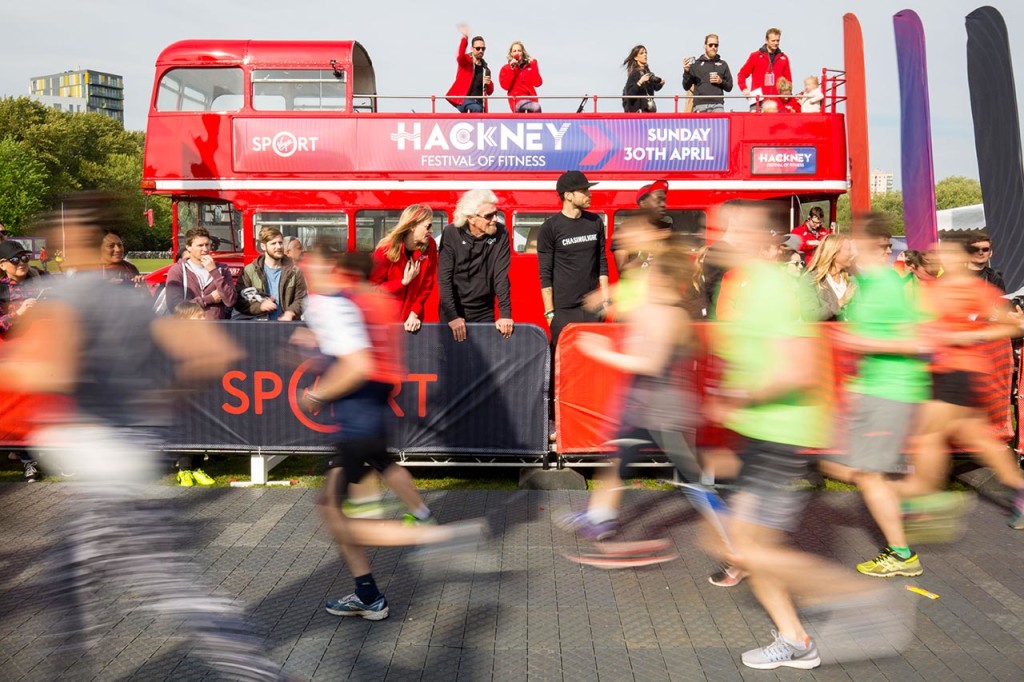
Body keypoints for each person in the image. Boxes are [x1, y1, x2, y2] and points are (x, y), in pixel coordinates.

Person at [2, 192, 287, 680]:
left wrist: (19, 367)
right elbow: (211, 355)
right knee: (71, 580)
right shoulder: (128, 298)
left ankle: (258, 671)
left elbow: (50, 372)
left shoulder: (71, 298)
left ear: (71, 241)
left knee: (166, 584)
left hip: (100, 454)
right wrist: (162, 400)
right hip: (127, 446)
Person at [706, 200, 905, 671]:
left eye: (726, 230)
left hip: (777, 432)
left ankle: (864, 600)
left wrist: (735, 398)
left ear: (750, 237)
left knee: (747, 547)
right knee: (740, 544)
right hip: (761, 431)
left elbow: (794, 369)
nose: (717, 240)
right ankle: (795, 638)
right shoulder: (751, 284)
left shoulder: (772, 288)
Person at [299, 246, 485, 621]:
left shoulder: (340, 302)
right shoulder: (376, 299)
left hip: (357, 421)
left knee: (339, 517)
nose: (308, 273)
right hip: (370, 411)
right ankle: (368, 592)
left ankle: (435, 538)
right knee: (340, 506)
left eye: (313, 266)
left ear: (339, 269)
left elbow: (357, 364)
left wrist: (317, 393)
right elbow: (364, 358)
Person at [558, 248, 697, 539]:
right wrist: (606, 298)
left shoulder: (671, 315)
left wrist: (604, 353)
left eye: (654, 276)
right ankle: (600, 518)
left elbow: (651, 363)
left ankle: (735, 537)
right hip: (644, 405)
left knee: (694, 479)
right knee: (618, 461)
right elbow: (632, 308)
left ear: (666, 281)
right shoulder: (657, 309)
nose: (647, 281)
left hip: (664, 411)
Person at [822, 216, 930, 578]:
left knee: (867, 475)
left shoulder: (885, 285)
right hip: (872, 390)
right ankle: (916, 503)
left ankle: (902, 553)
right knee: (839, 465)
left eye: (850, 241)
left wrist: (860, 341)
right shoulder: (866, 284)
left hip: (891, 391)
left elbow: (917, 341)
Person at [895, 236, 1024, 528]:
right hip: (944, 373)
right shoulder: (935, 290)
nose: (944, 259)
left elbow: (1014, 324)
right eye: (941, 255)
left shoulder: (978, 289)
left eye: (950, 255)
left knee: (927, 437)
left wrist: (973, 335)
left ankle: (923, 501)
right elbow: (918, 325)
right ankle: (1020, 490)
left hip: (961, 373)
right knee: (980, 441)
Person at [537, 171, 611, 348]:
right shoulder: (550, 228)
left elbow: (602, 262)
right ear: (568, 196)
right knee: (564, 364)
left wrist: (606, 301)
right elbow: (545, 273)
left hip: (593, 308)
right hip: (564, 310)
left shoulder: (595, 222)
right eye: (584, 191)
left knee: (593, 363)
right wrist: (549, 313)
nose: (589, 194)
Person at [437, 189, 514, 342]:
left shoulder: (501, 233)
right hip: (455, 308)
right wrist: (452, 316)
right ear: (471, 219)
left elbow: (501, 276)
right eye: (488, 216)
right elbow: (444, 278)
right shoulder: (451, 233)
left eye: (496, 213)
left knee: (484, 361)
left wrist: (505, 314)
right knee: (453, 361)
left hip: (484, 309)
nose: (495, 219)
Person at [0, 239, 46, 482]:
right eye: (16, 259)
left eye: (26, 258)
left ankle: (33, 460)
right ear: (2, 264)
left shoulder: (39, 282)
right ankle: (25, 459)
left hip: (36, 355)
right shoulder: (1, 289)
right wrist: (18, 313)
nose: (22, 263)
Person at [370, 204, 438, 333]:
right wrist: (402, 283)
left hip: (412, 322)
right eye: (427, 226)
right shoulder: (385, 250)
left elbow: (426, 285)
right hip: (386, 322)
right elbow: (371, 289)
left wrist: (414, 313)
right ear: (412, 226)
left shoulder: (430, 246)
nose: (431, 231)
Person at [233, 226, 307, 321]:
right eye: (273, 243)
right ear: (263, 246)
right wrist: (260, 306)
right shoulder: (249, 270)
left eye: (280, 243)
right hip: (260, 328)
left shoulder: (295, 271)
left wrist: (291, 312)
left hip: (287, 327)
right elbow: (239, 301)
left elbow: (301, 298)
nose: (279, 247)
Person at [164, 226, 237, 319]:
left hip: (216, 327)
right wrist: (209, 299)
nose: (205, 249)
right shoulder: (178, 270)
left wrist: (214, 272)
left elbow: (230, 301)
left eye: (207, 244)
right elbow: (175, 307)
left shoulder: (222, 269)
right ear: (188, 247)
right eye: (200, 245)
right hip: (190, 328)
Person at [801, 234, 856, 321]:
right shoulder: (811, 279)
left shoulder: (851, 279)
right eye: (848, 250)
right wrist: (840, 303)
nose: (853, 253)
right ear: (834, 253)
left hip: (851, 333)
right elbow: (809, 316)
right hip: (825, 334)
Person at [738, 27, 793, 111]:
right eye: (773, 41)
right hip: (758, 102)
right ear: (766, 40)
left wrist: (787, 95)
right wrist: (744, 89)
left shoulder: (784, 58)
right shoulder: (755, 56)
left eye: (777, 40)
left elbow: (788, 81)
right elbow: (742, 74)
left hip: (777, 103)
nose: (776, 43)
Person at [446, 25, 493, 114]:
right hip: (463, 99)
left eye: (483, 49)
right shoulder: (466, 61)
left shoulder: (485, 69)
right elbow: (460, 57)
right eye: (478, 48)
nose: (481, 51)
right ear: (472, 48)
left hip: (479, 103)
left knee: (478, 111)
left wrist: (489, 84)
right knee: (476, 109)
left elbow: (490, 91)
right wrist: (465, 38)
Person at [682, 34, 734, 113]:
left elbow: (729, 87)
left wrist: (721, 81)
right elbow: (686, 86)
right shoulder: (696, 64)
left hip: (717, 104)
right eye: (710, 45)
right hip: (700, 104)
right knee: (701, 125)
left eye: (716, 45)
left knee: (719, 125)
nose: (713, 47)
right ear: (705, 46)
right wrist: (686, 72)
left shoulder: (723, 64)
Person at [499, 41, 543, 113]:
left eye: (519, 50)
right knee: (535, 107)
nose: (517, 53)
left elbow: (538, 83)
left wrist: (534, 65)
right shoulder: (506, 68)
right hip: (517, 100)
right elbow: (505, 86)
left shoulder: (529, 67)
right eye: (514, 51)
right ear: (511, 54)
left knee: (536, 109)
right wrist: (511, 69)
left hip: (531, 99)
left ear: (523, 53)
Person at [622, 45, 665, 113]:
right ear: (636, 57)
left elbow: (654, 88)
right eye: (642, 53)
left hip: (648, 112)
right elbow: (630, 94)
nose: (645, 55)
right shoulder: (634, 74)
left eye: (646, 53)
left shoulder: (647, 72)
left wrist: (660, 84)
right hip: (638, 112)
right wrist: (640, 82)